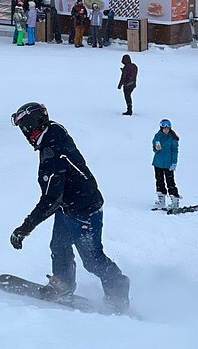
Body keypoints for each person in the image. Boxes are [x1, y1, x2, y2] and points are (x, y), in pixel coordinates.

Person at [9, 102, 130, 314]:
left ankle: (118, 292)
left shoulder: (52, 153)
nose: (24, 134)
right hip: (68, 206)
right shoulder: (53, 132)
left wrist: (25, 228)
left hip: (84, 209)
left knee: (93, 260)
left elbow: (50, 199)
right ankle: (63, 284)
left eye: (24, 128)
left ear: (31, 125)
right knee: (59, 246)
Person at [152, 119, 181, 210]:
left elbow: (175, 151)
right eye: (164, 128)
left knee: (170, 182)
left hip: (168, 164)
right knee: (159, 181)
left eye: (168, 128)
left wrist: (174, 163)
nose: (166, 130)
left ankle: (175, 201)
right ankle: (161, 201)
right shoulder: (157, 136)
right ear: (161, 128)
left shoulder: (173, 138)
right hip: (158, 163)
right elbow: (154, 148)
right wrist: (156, 148)